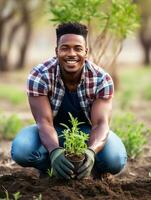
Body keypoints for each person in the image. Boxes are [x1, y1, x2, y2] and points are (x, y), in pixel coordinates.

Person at [11, 22, 127, 180]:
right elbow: (44, 122)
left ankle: (93, 170)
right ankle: (50, 168)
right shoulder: (40, 75)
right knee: (22, 150)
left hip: (88, 133)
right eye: (65, 48)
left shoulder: (101, 79)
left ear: (86, 52)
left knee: (115, 160)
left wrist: (91, 151)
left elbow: (101, 124)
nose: (71, 53)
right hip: (52, 129)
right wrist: (54, 151)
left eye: (78, 48)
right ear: (56, 51)